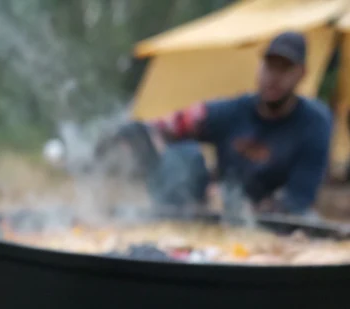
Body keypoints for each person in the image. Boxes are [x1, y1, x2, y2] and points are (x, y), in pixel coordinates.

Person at [130, 32, 332, 215]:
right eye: (270, 66)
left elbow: (298, 197)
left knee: (308, 218)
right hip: (215, 205)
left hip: (270, 218)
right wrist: (137, 137)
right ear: (260, 66)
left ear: (302, 74)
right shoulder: (232, 111)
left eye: (285, 69)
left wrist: (246, 211)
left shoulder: (314, 124)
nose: (274, 77)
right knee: (184, 155)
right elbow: (173, 124)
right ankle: (167, 223)